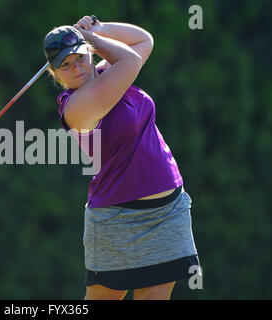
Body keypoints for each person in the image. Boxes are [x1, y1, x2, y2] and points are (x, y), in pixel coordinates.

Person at [43, 16, 201, 300]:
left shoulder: (107, 72)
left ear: (89, 56)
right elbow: (131, 61)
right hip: (117, 217)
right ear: (56, 75)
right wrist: (93, 41)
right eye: (65, 65)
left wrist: (98, 29)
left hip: (169, 211)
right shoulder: (75, 108)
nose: (76, 67)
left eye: (79, 57)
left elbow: (144, 41)